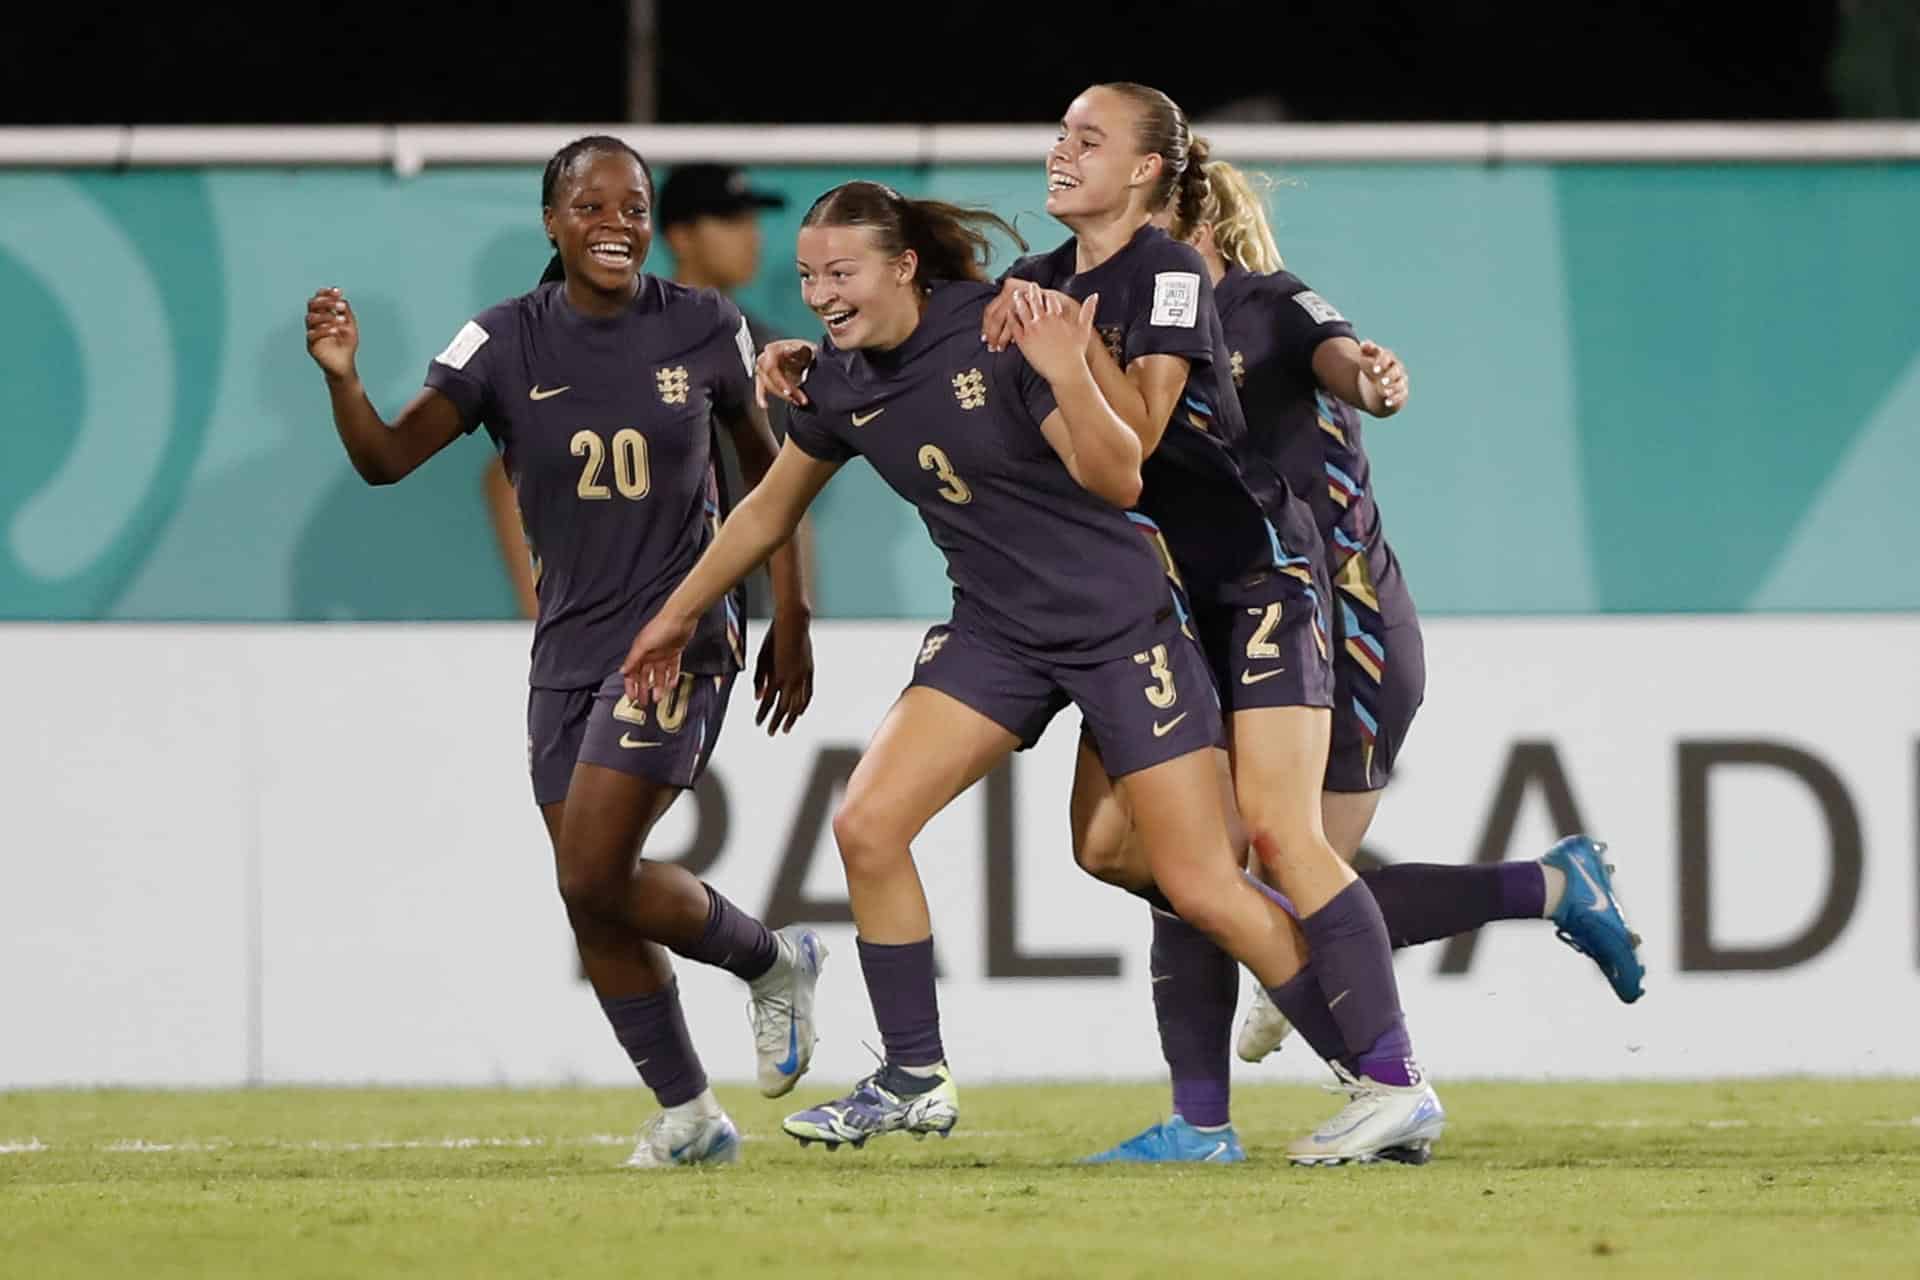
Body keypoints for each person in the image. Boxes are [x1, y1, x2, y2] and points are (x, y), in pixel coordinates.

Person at [623, 180, 1318, 1154]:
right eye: (810, 276)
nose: (821, 293)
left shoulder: (998, 327)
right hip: (998, 630)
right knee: (868, 820)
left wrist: (1073, 360)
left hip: (1122, 620)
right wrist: (672, 616)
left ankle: (1374, 1061)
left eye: (844, 271)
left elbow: (1121, 468)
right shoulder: (840, 379)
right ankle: (914, 1072)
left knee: (1191, 876)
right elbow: (766, 511)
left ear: (906, 264)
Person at [1068, 152, 1647, 1165]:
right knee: (1195, 860)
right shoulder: (1114, 325)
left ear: (1178, 218)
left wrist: (1372, 376)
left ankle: (1538, 898)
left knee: (1284, 869)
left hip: (1344, 615)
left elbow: (1340, 353)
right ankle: (1205, 1117)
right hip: (1218, 615)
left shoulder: (1263, 303)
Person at [304, 135, 823, 1170]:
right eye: (592, 207)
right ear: (552, 221)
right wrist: (343, 380)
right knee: (590, 886)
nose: (617, 225)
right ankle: (689, 1113)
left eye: (632, 207)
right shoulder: (500, 344)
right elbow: (385, 459)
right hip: (565, 656)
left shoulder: (706, 326)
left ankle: (769, 962)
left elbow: (779, 479)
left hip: (678, 643)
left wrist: (790, 615)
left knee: (590, 869)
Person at [992, 82, 1444, 1166]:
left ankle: (1386, 1076)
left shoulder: (1177, 274)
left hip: (1258, 580)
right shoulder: (1039, 284)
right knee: (1117, 847)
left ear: (1147, 170)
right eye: (1058, 135)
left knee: (1278, 833)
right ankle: (1219, 1108)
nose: (1060, 152)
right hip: (1155, 604)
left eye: (1088, 140)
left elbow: (1134, 443)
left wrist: (1062, 357)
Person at [495, 161, 807, 620]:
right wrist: (541, 610)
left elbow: (787, 487)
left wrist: (792, 609)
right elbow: (511, 475)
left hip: (737, 612)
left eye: (752, 221)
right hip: (627, 609)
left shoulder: (764, 346)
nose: (751, 236)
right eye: (729, 220)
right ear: (680, 235)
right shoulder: (625, 332)